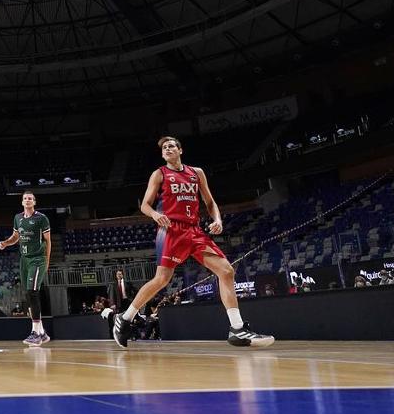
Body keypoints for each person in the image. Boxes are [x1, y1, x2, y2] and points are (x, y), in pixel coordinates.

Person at [111, 137, 274, 349]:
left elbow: (210, 202)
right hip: (171, 230)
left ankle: (237, 329)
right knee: (161, 279)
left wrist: (217, 219)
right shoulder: (159, 174)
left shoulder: (196, 173)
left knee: (226, 271)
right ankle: (124, 318)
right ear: (163, 155)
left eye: (171, 146)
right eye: (164, 148)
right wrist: (155, 215)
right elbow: (145, 205)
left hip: (194, 230)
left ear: (180, 150)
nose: (168, 149)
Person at [0, 191, 51, 347]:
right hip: (24, 259)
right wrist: (6, 243)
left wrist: (47, 261)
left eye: (30, 198)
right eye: (25, 198)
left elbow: (48, 241)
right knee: (29, 293)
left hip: (37, 259)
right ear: (22, 202)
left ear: (34, 202)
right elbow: (16, 237)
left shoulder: (41, 219)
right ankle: (42, 333)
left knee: (32, 292)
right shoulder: (18, 218)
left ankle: (35, 332)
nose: (27, 200)